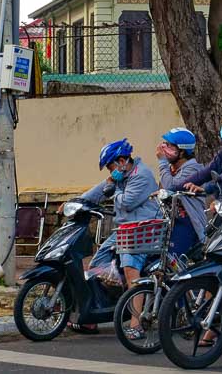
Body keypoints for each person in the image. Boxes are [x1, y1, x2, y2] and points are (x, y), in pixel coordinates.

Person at [68, 138, 160, 334]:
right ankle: (108, 309)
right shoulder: (122, 176)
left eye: (110, 167)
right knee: (96, 266)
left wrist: (113, 188)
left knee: (131, 272)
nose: (111, 172)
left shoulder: (141, 175)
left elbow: (126, 203)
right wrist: (75, 202)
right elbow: (99, 190)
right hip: (124, 230)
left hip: (142, 230)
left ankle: (136, 324)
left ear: (122, 160)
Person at [156, 127, 207, 255]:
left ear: (182, 152)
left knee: (173, 258)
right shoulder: (170, 170)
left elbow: (171, 186)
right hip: (170, 223)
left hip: (188, 224)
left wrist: (162, 162)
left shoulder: (193, 170)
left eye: (169, 146)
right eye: (165, 144)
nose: (164, 148)